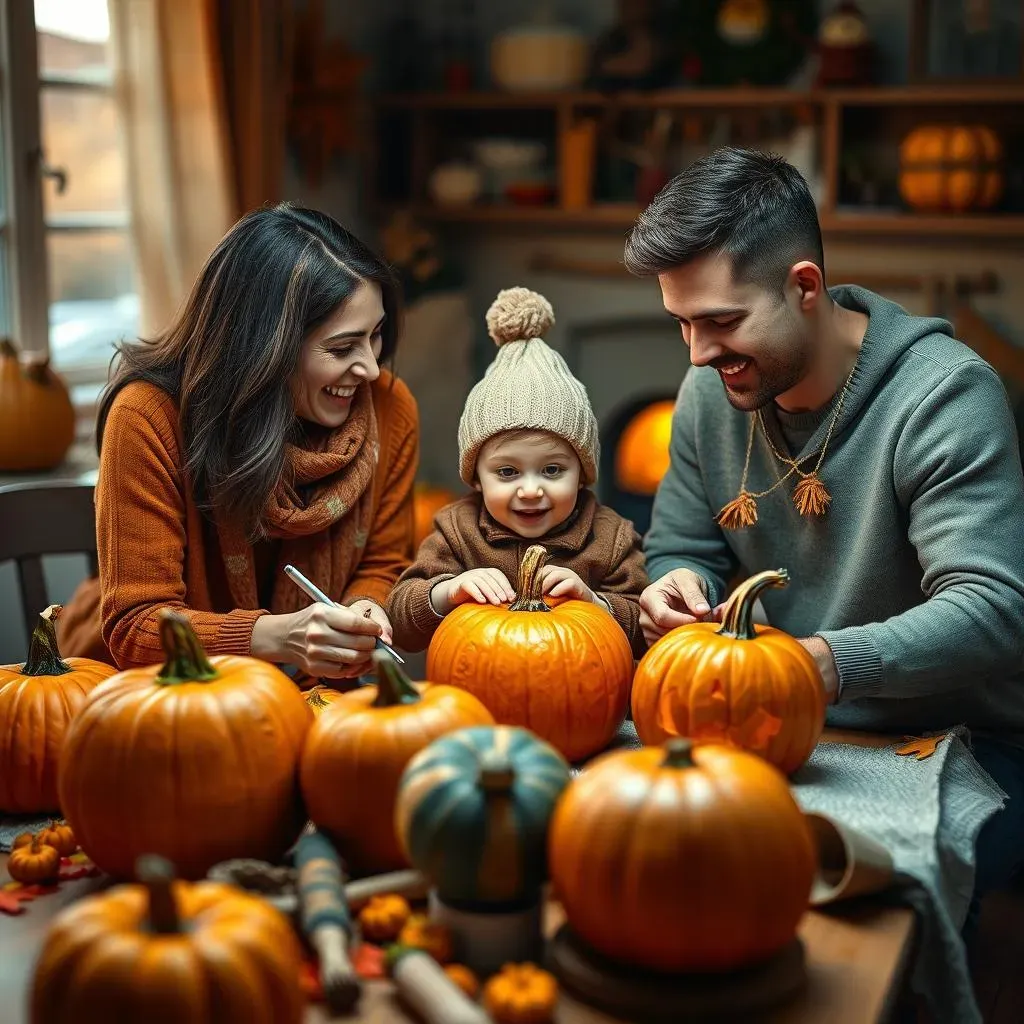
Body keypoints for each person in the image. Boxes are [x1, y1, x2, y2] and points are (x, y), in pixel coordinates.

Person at [624, 147, 1024, 935]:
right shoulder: (710, 392)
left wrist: (819, 665)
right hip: (777, 730)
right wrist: (677, 586)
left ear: (804, 286)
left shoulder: (943, 396)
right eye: (682, 324)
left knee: (852, 920)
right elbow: (680, 544)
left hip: (957, 746)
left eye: (721, 322)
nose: (699, 355)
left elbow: (995, 610)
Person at [92, 203, 419, 682]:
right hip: (164, 698)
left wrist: (364, 609)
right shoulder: (146, 418)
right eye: (342, 347)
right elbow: (136, 627)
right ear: (265, 347)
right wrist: (279, 637)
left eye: (376, 335)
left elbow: (383, 562)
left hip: (314, 698)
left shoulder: (390, 408)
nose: (370, 368)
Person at [386, 287, 648, 658]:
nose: (530, 490)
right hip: (477, 705)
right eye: (508, 472)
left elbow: (646, 631)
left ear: (583, 473)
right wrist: (448, 591)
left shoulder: (609, 538)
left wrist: (595, 603)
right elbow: (400, 623)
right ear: (476, 478)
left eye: (552, 470)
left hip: (584, 702)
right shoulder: (458, 531)